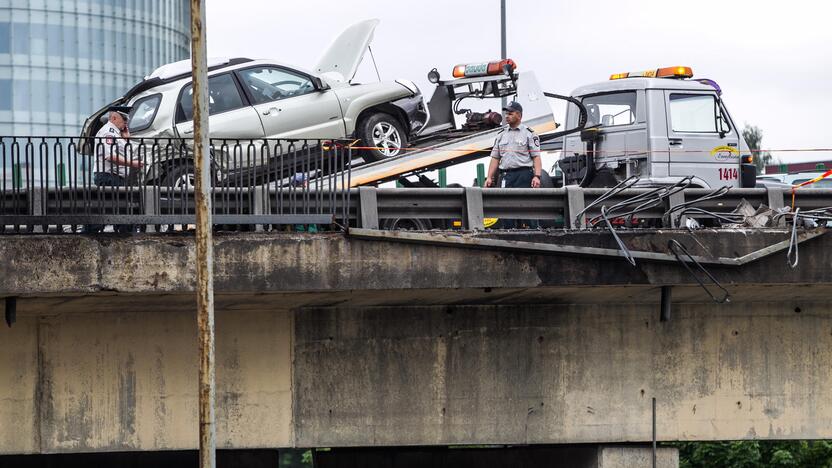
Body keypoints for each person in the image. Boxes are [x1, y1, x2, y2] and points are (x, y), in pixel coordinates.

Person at [83, 106, 143, 233]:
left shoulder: (116, 133)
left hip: (114, 177)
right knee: (118, 209)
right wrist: (133, 164)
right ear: (114, 117)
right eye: (124, 118)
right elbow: (110, 156)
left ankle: (91, 234)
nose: (126, 122)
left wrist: (126, 140)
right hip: (109, 177)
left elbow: (121, 152)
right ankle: (89, 235)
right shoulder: (108, 132)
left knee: (111, 209)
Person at [484, 101, 542, 228]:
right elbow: (495, 158)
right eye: (506, 114)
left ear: (519, 115)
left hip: (524, 175)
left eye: (510, 113)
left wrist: (537, 176)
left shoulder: (529, 133)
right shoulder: (501, 135)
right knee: (506, 207)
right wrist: (489, 177)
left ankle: (534, 233)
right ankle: (509, 234)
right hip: (506, 176)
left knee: (527, 207)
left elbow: (536, 157)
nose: (506, 116)